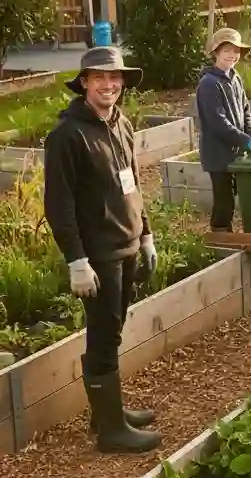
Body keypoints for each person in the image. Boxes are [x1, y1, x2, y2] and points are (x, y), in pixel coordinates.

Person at [43, 47, 162, 454]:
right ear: (85, 83)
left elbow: (132, 184)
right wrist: (76, 259)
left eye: (115, 78)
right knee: (102, 333)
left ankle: (107, 413)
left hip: (126, 244)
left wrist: (145, 233)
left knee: (113, 329)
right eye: (100, 78)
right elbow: (58, 205)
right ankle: (111, 432)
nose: (109, 85)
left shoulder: (120, 123)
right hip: (98, 254)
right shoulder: (67, 136)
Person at [196, 27, 251, 232]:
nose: (232, 55)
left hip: (235, 152)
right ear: (216, 52)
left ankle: (228, 236)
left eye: (236, 51)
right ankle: (221, 239)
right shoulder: (209, 84)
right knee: (224, 200)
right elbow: (218, 123)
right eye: (227, 50)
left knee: (236, 193)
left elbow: (245, 112)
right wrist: (247, 142)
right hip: (218, 154)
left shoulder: (235, 78)